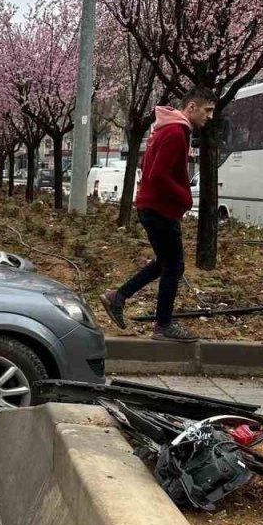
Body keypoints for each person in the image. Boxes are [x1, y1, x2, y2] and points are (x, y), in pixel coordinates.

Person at [101, 88, 216, 343]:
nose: (209, 117)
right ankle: (163, 325)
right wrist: (185, 198)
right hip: (159, 209)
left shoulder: (165, 129)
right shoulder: (177, 132)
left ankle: (117, 298)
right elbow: (159, 175)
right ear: (191, 108)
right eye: (207, 110)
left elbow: (149, 169)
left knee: (165, 264)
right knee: (174, 266)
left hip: (152, 207)